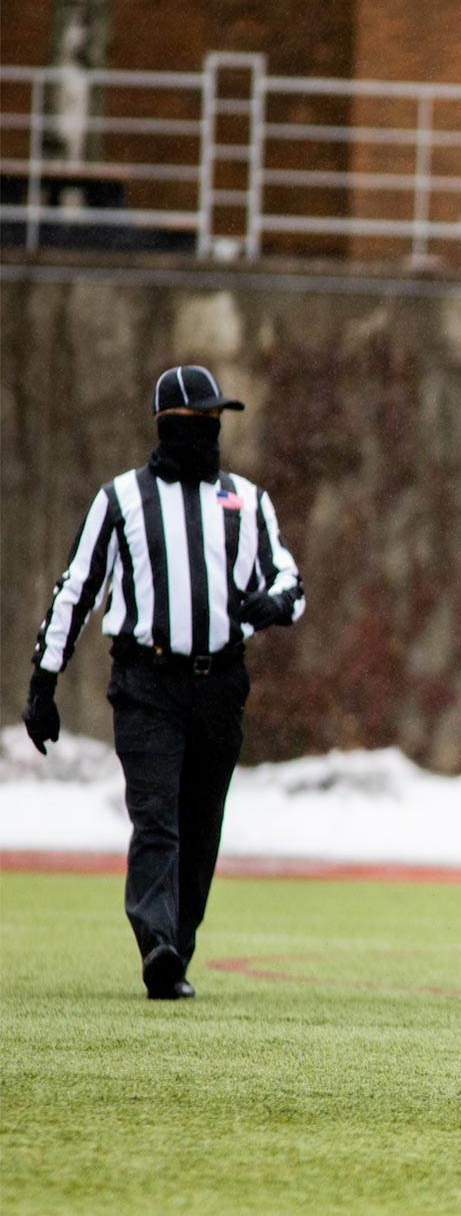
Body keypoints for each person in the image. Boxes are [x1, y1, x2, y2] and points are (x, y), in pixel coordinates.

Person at [22, 364, 303, 1000]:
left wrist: (272, 605)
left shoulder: (245, 499)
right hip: (147, 680)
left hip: (221, 683)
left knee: (201, 825)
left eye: (216, 422)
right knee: (158, 818)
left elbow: (290, 580)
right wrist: (44, 681)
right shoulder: (119, 500)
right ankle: (156, 941)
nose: (209, 432)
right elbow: (77, 590)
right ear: (169, 424)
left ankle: (177, 944)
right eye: (200, 421)